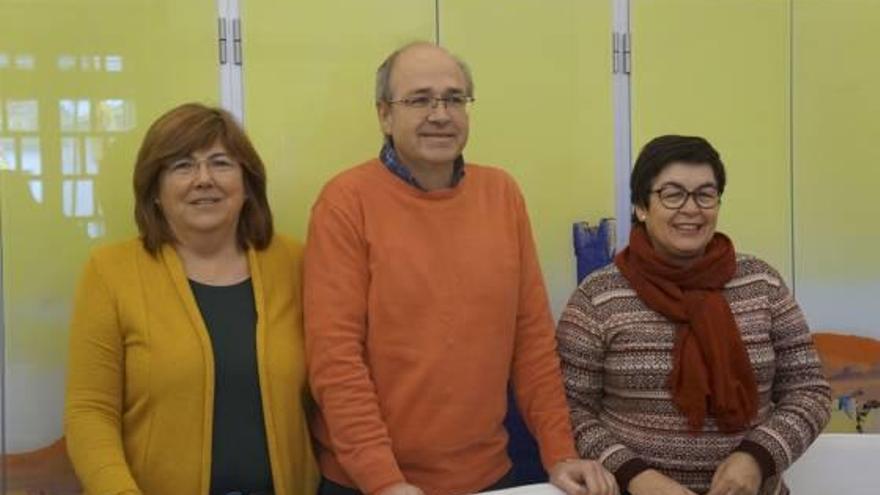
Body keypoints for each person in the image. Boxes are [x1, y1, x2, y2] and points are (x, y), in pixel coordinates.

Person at [303, 42, 618, 495]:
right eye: (419, 99)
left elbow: (531, 341)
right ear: (384, 115)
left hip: (488, 477)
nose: (440, 114)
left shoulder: (501, 194)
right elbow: (336, 362)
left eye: (454, 98)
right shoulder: (345, 202)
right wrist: (384, 481)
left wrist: (560, 453)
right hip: (369, 483)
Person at [64, 103, 318, 495]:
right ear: (155, 192)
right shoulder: (110, 272)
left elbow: (334, 387)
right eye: (182, 166)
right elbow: (89, 412)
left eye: (220, 163)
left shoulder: (297, 264)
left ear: (247, 185)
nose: (204, 180)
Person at [557, 135, 832, 495]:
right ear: (641, 206)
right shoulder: (598, 296)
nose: (691, 208)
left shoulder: (761, 283)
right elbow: (570, 409)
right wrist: (635, 476)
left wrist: (756, 457)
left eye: (705, 194)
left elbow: (809, 391)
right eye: (672, 194)